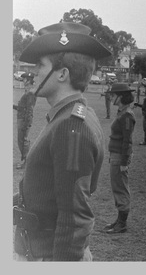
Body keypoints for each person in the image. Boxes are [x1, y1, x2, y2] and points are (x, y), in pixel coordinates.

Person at [14, 22, 111, 261]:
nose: (34, 71)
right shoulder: (69, 115)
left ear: (62, 73)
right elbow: (49, 189)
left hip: (48, 256)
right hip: (36, 249)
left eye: (41, 64)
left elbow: (75, 216)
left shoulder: (71, 124)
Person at [103, 83, 136, 234]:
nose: (111, 97)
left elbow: (127, 140)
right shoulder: (122, 112)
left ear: (120, 97)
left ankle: (122, 223)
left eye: (113, 95)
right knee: (117, 187)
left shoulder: (126, 115)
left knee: (121, 188)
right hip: (115, 155)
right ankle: (119, 220)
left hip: (119, 157)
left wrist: (124, 162)